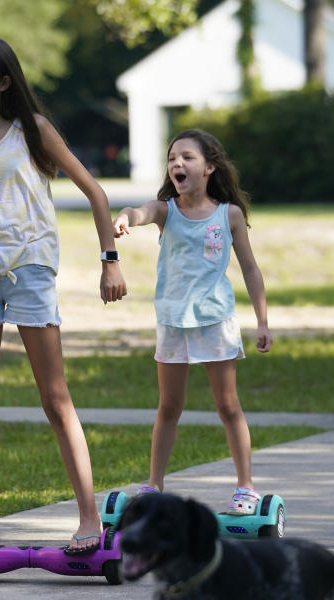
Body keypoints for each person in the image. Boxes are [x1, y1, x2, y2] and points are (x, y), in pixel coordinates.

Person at [0, 37, 127, 554]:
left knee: (54, 397)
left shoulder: (32, 131)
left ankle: (89, 518)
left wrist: (110, 261)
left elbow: (95, 191)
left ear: (4, 81)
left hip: (30, 270)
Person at [112, 129, 273, 516]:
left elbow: (250, 268)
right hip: (172, 322)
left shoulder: (228, 215)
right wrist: (125, 218)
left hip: (215, 321)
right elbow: (142, 211)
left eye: (186, 157)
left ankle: (246, 487)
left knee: (228, 405)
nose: (176, 164)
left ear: (209, 167)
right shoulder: (167, 210)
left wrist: (262, 320)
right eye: (171, 158)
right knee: (169, 406)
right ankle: (154, 485)